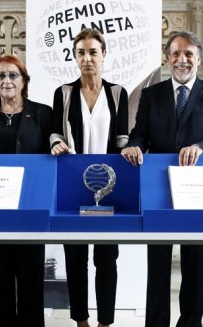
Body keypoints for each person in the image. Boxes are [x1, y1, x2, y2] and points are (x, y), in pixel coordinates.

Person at [121, 30, 203, 327]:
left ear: (199, 58)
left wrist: (200, 147)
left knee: (195, 263)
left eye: (188, 54)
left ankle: (190, 322)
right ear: (167, 58)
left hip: (198, 189)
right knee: (157, 263)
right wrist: (134, 146)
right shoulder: (151, 94)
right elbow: (140, 134)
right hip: (159, 188)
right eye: (176, 54)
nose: (182, 60)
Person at [50, 28, 128, 327]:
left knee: (107, 259)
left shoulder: (118, 92)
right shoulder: (64, 93)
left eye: (93, 52)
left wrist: (130, 150)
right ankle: (80, 321)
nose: (87, 59)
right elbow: (56, 131)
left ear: (104, 55)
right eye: (81, 52)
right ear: (75, 56)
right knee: (76, 258)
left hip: (110, 186)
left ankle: (105, 322)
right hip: (74, 186)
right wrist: (55, 143)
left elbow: (123, 138)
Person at [0, 54, 51, 327]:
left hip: (30, 208)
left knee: (31, 277)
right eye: (0, 76)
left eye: (13, 75)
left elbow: (52, 151)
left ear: (24, 80)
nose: (7, 81)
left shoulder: (42, 113)